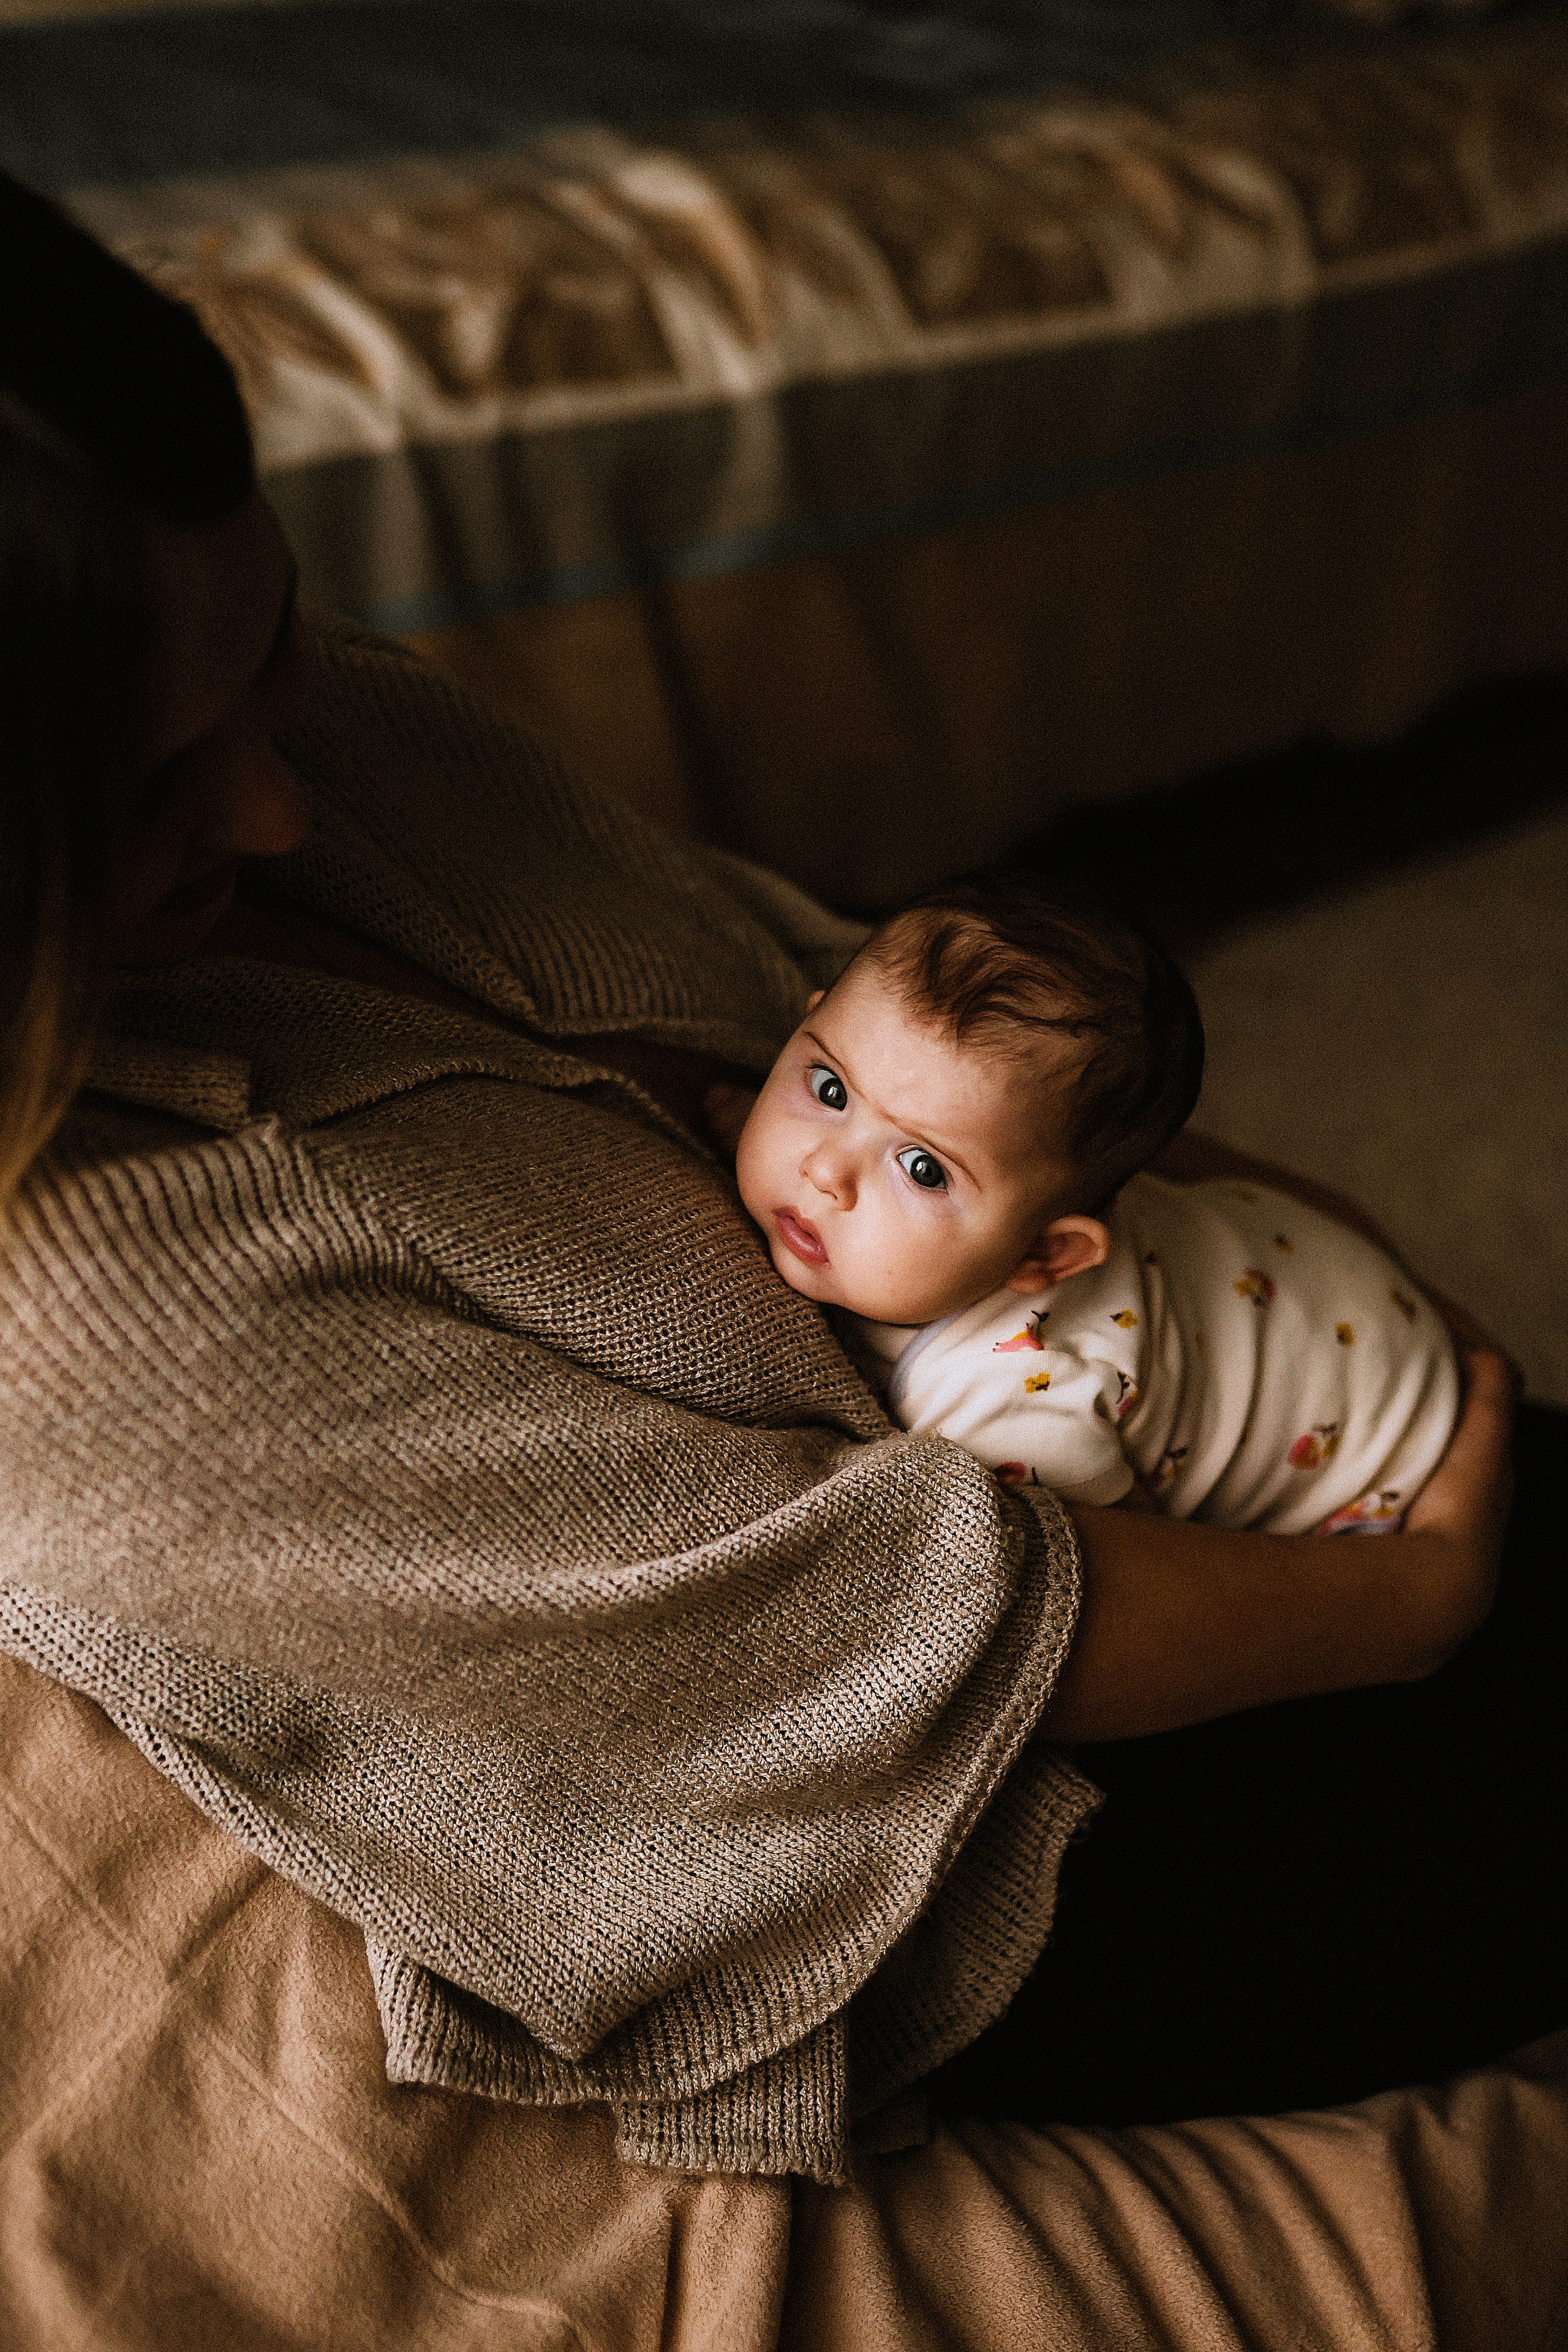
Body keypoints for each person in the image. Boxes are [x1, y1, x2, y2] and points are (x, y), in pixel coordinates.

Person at [0, 172, 1556, 2185]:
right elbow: (915, 1637)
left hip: (1116, 1438)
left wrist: (1298, 1258)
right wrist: (1411, 1602)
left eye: (275, 640)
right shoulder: (84, 1341)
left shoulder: (296, 735)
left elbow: (811, 971)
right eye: (151, 793)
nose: (286, 798)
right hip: (953, 1840)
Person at [724, 876, 1458, 1531]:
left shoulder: (1002, 1406)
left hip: (1377, 1462)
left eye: (922, 1169)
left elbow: (1155, 1572)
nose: (823, 1171)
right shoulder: (838, 1171)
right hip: (1308, 1276)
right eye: (829, 1090)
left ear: (1044, 1254)